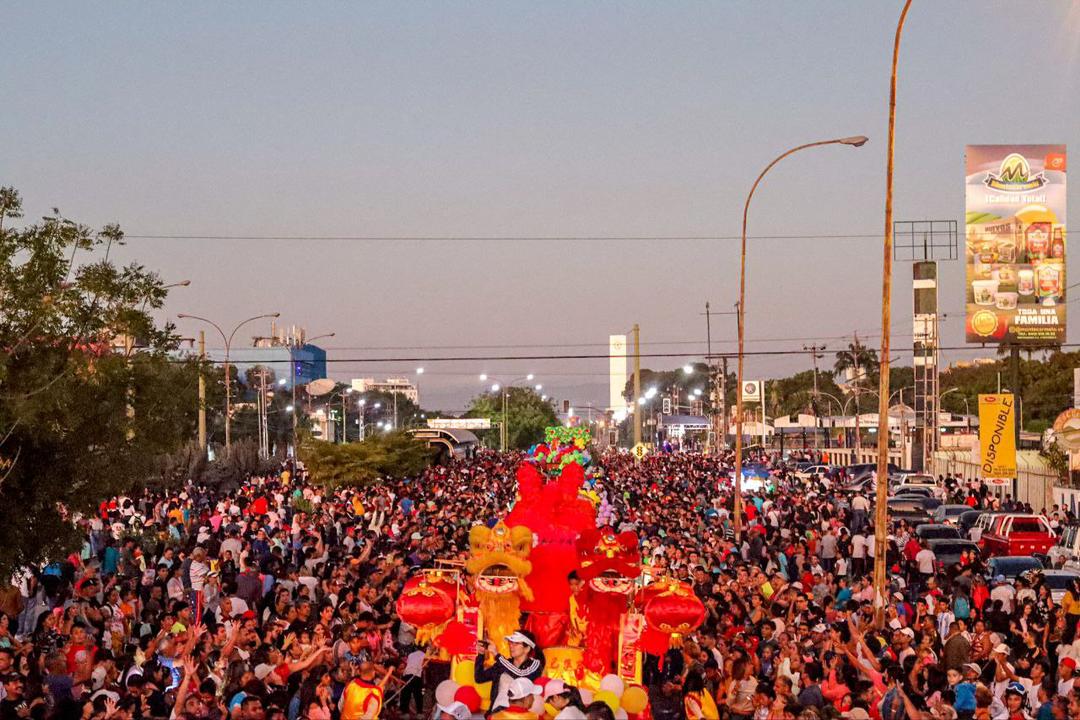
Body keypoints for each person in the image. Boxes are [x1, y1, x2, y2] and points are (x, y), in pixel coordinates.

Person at [474, 632, 544, 714]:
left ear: (527, 648)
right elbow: (479, 678)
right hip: (497, 712)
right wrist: (481, 655)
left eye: (516, 643)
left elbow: (520, 675)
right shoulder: (503, 663)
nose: (511, 646)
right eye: (510, 642)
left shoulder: (534, 664)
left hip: (520, 714)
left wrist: (497, 655)